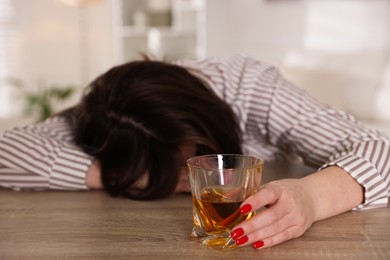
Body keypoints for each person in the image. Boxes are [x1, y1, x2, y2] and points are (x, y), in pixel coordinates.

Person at [0, 54, 389, 249]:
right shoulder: (104, 115)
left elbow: (381, 148)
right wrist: (138, 175)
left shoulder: (250, 87)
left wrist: (311, 197)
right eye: (172, 169)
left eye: (198, 153)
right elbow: (7, 150)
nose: (190, 178)